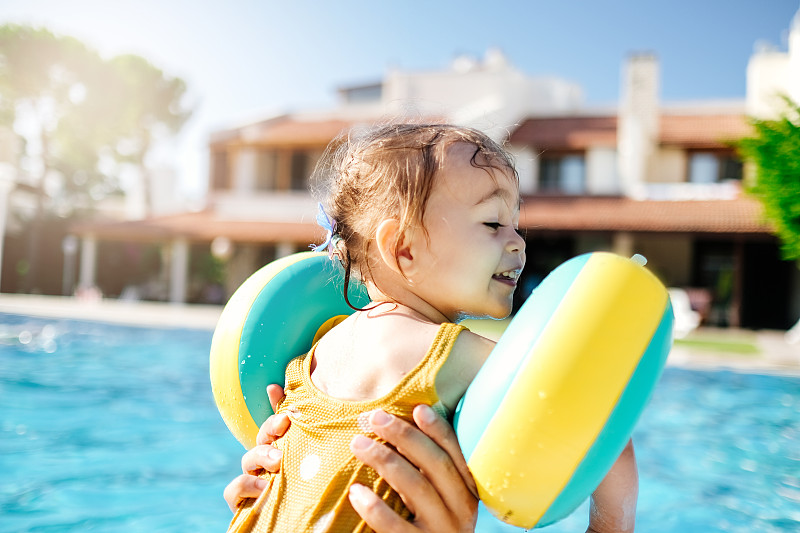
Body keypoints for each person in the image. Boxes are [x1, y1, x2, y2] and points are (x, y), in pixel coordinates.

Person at [224, 123, 638, 533]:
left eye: (516, 224)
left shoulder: (318, 350)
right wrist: (612, 523)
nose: (518, 242)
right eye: (493, 224)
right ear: (404, 249)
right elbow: (595, 424)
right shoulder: (460, 357)